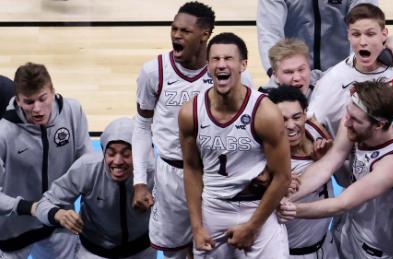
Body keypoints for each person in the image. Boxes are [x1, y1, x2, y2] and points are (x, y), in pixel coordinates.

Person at [133, 2, 250, 258]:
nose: (176, 35)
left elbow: (249, 128)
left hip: (215, 176)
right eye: (174, 29)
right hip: (170, 175)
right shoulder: (154, 71)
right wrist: (140, 180)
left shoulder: (230, 73)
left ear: (204, 35)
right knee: (175, 252)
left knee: (213, 250)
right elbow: (142, 125)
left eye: (185, 31)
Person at [179, 32, 291, 258]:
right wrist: (197, 227)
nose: (221, 65)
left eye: (228, 59)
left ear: (243, 65)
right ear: (207, 65)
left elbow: (282, 176)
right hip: (214, 208)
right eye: (215, 59)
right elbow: (191, 169)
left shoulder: (265, 113)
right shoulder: (190, 113)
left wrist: (252, 227)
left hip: (256, 207)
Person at [279, 79, 393, 258]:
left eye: (354, 120)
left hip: (377, 247)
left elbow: (342, 203)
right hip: (348, 226)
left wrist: (289, 209)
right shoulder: (357, 118)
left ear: (379, 125)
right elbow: (328, 164)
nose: (346, 123)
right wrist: (279, 198)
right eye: (348, 114)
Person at [307, 4, 393, 150]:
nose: (363, 42)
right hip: (368, 165)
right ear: (348, 35)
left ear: (384, 34)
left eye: (370, 34)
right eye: (356, 34)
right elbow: (310, 127)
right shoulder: (332, 80)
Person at [0, 62, 92, 258]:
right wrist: (32, 208)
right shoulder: (3, 133)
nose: (38, 109)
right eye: (29, 102)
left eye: (43, 99)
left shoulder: (72, 112)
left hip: (59, 222)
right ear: (17, 100)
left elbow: (87, 166)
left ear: (53, 91)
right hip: (14, 228)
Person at [34, 117, 157, 259]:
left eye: (126, 154)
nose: (117, 161)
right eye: (111, 153)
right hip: (94, 253)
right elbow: (43, 204)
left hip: (142, 251)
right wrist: (57, 214)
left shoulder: (153, 172)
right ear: (103, 151)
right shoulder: (87, 168)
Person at [268, 86, 337, 258]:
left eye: (296, 117)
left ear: (305, 114)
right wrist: (273, 188)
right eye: (282, 119)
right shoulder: (267, 160)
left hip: (327, 245)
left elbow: (344, 177)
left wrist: (324, 158)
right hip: (291, 253)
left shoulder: (316, 131)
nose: (291, 125)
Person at [257, 0, 378, 75]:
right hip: (294, 74)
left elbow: (367, 27)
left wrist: (352, 72)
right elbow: (269, 34)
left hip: (343, 72)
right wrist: (278, 72)